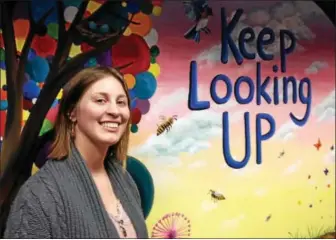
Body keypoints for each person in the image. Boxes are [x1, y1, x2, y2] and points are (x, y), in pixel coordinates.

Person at [4, 66, 148, 238]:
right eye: (100, 100)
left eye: (121, 102)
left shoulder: (126, 181)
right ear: (72, 112)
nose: (114, 111)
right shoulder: (38, 196)